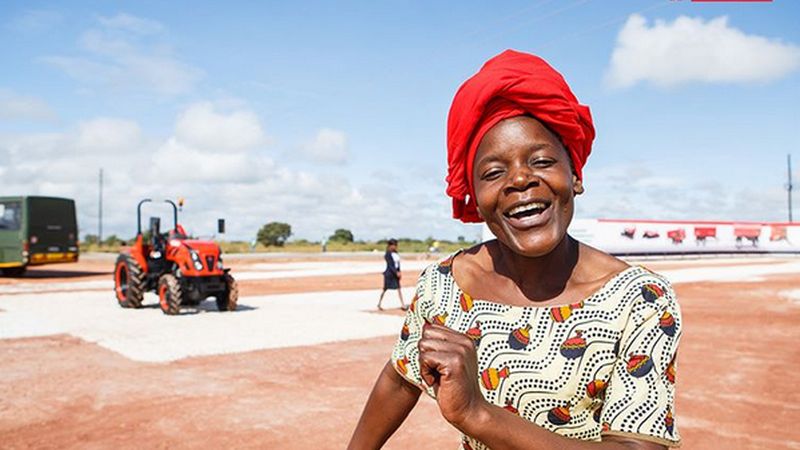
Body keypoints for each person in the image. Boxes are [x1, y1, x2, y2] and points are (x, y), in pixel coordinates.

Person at [349, 50, 681, 450]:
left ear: (575, 176)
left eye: (541, 161)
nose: (520, 179)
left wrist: (478, 414)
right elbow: (400, 377)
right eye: (493, 172)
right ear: (475, 197)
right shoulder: (445, 285)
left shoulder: (639, 299)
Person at [377, 239, 407, 311]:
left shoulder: (396, 253)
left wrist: (399, 271)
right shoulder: (387, 254)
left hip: (395, 273)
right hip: (389, 274)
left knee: (399, 288)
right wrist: (396, 272)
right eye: (394, 245)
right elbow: (390, 265)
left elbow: (397, 264)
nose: (395, 246)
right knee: (385, 289)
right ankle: (379, 303)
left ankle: (402, 304)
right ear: (390, 245)